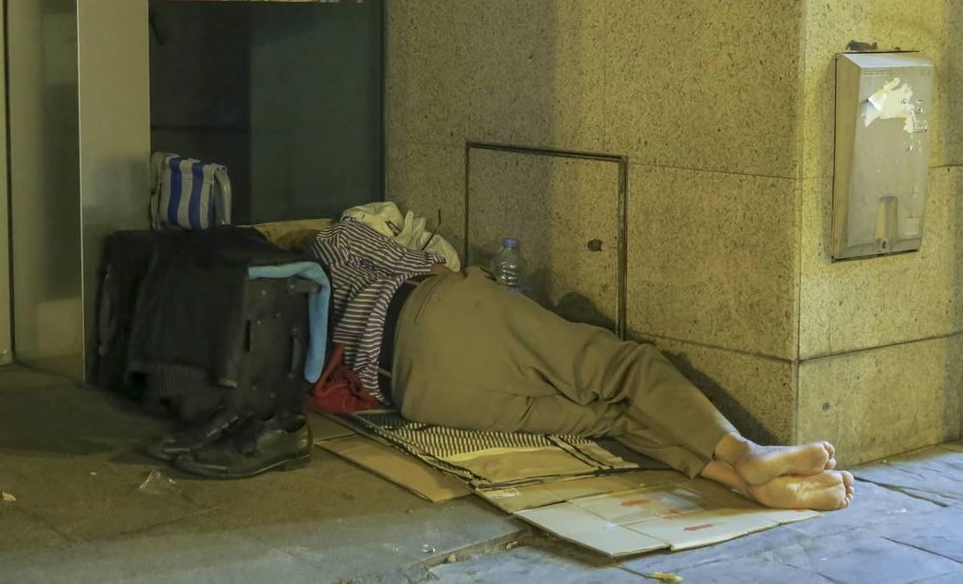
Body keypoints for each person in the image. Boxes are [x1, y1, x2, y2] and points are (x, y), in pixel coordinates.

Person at [309, 217, 855, 512]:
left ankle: (742, 484)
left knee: (608, 418)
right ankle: (745, 451)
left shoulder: (298, 317)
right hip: (438, 313)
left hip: (416, 395)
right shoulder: (332, 243)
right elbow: (377, 248)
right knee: (620, 369)